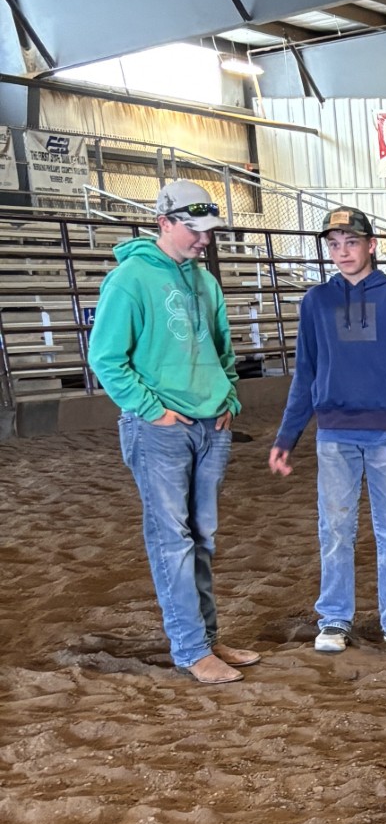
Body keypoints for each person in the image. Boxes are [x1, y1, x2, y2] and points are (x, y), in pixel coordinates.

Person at [87, 178, 259, 686]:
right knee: (175, 539)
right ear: (165, 223)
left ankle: (204, 639)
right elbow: (106, 358)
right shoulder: (130, 279)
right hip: (161, 430)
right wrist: (152, 410)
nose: (203, 240)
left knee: (200, 536)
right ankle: (190, 646)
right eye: (195, 231)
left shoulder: (204, 283)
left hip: (211, 424)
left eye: (208, 232)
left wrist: (228, 398)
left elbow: (223, 349)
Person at [268, 206, 386, 651]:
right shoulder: (315, 302)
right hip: (334, 433)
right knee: (335, 529)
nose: (342, 252)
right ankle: (334, 619)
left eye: (351, 242)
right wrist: (286, 437)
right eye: (334, 244)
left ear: (371, 245)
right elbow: (305, 373)